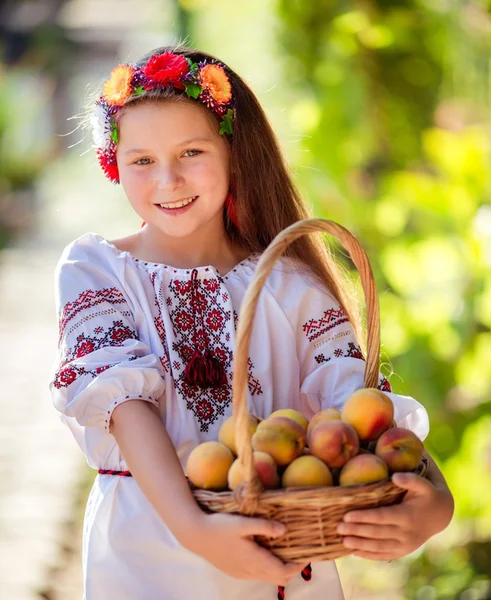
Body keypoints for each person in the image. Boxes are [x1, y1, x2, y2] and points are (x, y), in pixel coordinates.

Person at [49, 46, 454, 600]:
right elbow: (124, 405)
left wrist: (435, 501)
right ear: (113, 163)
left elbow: (359, 407)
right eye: (141, 160)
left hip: (283, 551)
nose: (166, 180)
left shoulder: (291, 284)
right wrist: (196, 529)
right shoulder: (95, 268)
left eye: (191, 152)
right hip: (149, 551)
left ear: (235, 152)